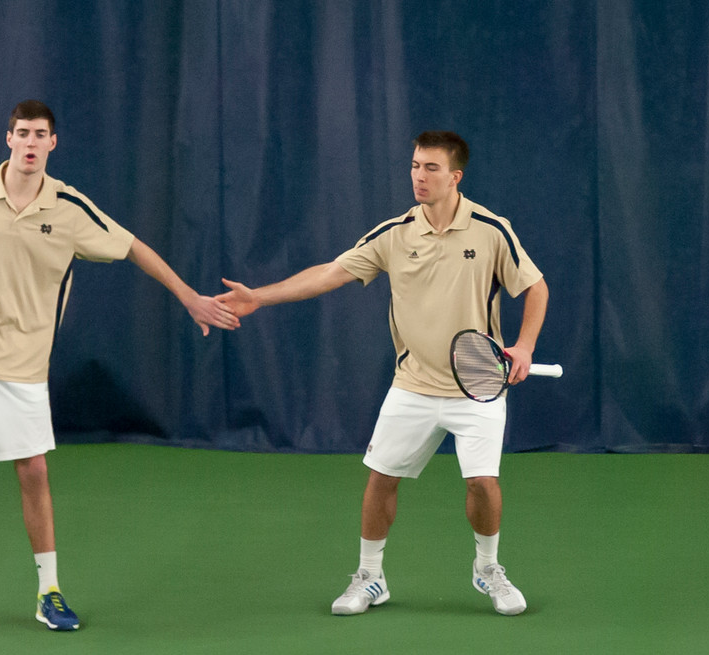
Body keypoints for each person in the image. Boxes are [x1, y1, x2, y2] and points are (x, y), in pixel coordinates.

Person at [0, 99, 239, 631]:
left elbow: (134, 248)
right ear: (8, 138)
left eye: (40, 134)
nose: (30, 142)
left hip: (21, 364)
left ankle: (49, 590)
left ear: (52, 143)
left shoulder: (70, 209)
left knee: (34, 471)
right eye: (22, 133)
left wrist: (188, 297)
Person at [219, 131, 548, 616]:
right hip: (412, 385)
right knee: (381, 478)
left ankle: (488, 569)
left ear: (455, 177)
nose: (419, 175)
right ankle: (370, 577)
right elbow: (330, 273)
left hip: (476, 388)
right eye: (415, 165)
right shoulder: (394, 234)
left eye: (431, 168)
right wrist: (259, 297)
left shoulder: (491, 230)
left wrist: (524, 346)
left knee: (482, 482)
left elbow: (536, 288)